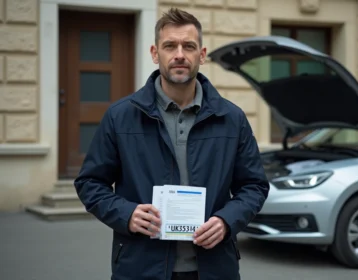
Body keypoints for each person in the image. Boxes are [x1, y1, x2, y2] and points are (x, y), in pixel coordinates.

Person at [74, 7, 269, 280]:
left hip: (213, 269)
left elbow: (254, 186)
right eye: (170, 46)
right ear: (155, 54)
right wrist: (126, 213)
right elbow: (90, 183)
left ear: (201, 55)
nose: (179, 54)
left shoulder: (231, 118)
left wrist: (227, 221)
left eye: (188, 46)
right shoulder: (120, 117)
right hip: (140, 268)